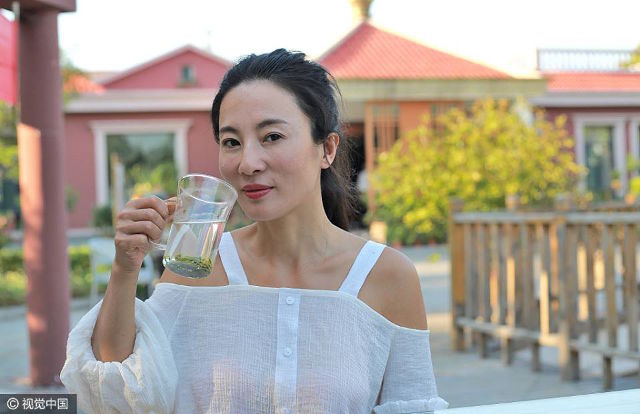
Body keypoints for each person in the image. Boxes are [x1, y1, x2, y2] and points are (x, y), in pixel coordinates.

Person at [60, 49, 448, 413]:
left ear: (327, 149)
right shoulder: (196, 270)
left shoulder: (387, 277)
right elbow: (116, 395)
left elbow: (412, 405)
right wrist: (125, 268)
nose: (247, 163)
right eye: (231, 142)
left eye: (272, 137)